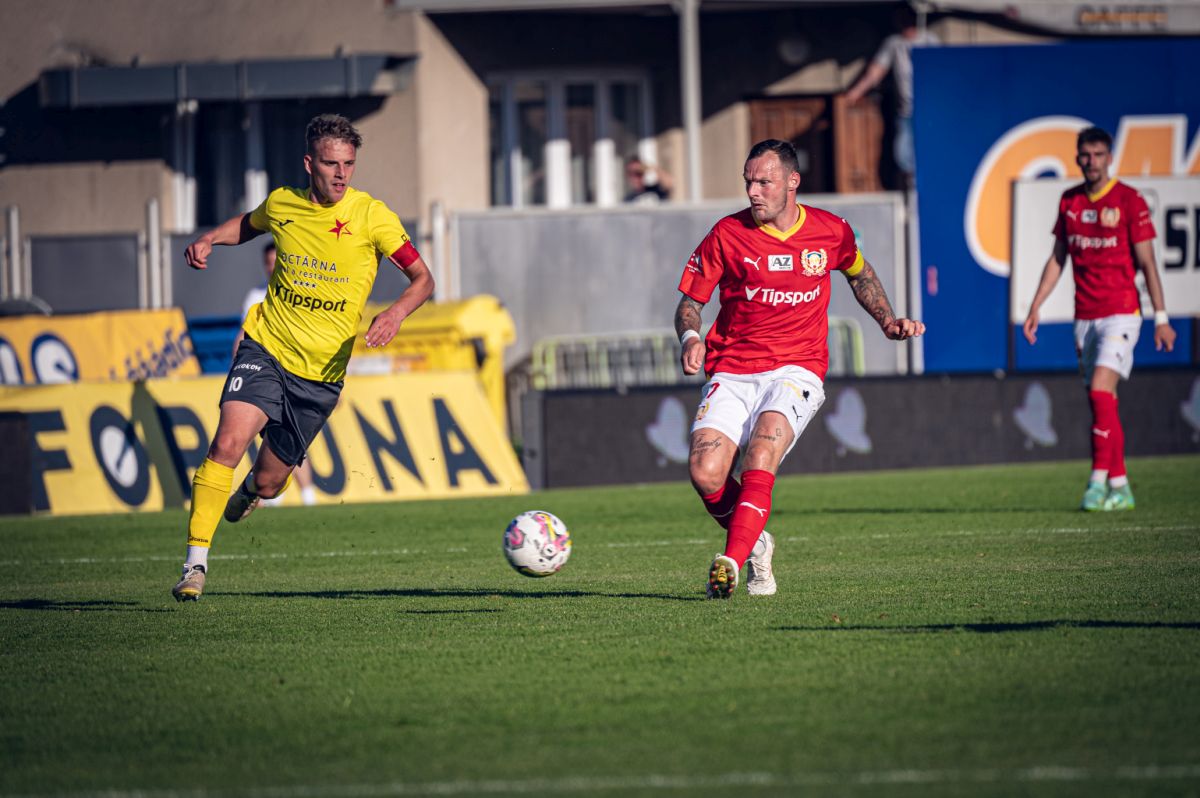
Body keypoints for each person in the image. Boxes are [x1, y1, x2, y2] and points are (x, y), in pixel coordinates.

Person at [172, 113, 434, 601]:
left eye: (349, 164)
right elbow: (247, 225)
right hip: (267, 347)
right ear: (310, 163)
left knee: (270, 482)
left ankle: (251, 491)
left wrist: (395, 313)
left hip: (320, 376)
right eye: (332, 164)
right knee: (228, 442)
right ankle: (195, 565)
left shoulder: (373, 216)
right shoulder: (283, 204)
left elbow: (423, 279)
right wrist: (210, 239)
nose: (341, 174)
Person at [675, 139, 924, 599]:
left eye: (764, 182)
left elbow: (860, 273)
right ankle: (756, 543)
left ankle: (730, 562)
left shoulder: (830, 231)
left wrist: (888, 322)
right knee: (706, 473)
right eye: (748, 182)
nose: (753, 191)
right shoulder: (726, 234)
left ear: (793, 182)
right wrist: (691, 337)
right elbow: (690, 302)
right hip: (732, 368)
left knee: (761, 453)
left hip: (797, 368)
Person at [1022, 126, 1174, 512]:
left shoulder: (1129, 200)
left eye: (1099, 155)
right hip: (1085, 317)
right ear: (1077, 158)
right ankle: (1121, 487)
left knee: (1099, 390)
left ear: (1110, 158)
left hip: (1122, 313)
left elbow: (1148, 263)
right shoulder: (1070, 201)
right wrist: (1036, 305)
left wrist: (1161, 317)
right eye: (1086, 155)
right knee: (1103, 403)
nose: (1092, 162)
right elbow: (1058, 258)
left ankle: (1096, 482)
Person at [237, 241, 317, 508]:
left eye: (276, 262)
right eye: (268, 263)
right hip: (264, 376)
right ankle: (270, 494)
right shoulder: (255, 296)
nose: (272, 268)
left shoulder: (302, 293)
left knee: (291, 439)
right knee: (263, 435)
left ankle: (307, 495)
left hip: (294, 374)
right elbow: (244, 334)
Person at [843, 2, 938, 188]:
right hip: (907, 111)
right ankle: (912, 185)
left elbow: (945, 69)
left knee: (930, 149)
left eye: (906, 17)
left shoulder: (929, 40)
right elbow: (875, 72)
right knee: (903, 153)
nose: (903, 22)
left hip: (930, 109)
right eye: (899, 18)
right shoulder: (894, 44)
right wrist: (856, 91)